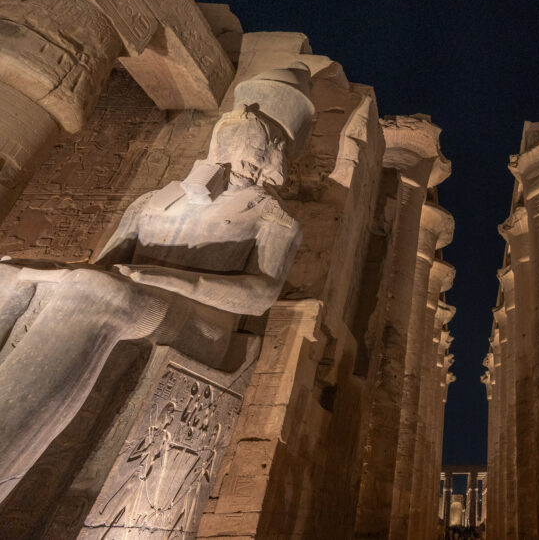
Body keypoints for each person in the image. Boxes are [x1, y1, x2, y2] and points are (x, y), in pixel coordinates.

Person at [0, 63, 314, 503]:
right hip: (136, 294)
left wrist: (162, 276)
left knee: (100, 293)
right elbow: (106, 264)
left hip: (204, 325)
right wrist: (38, 272)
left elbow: (259, 295)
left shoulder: (272, 217)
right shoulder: (153, 200)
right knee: (8, 274)